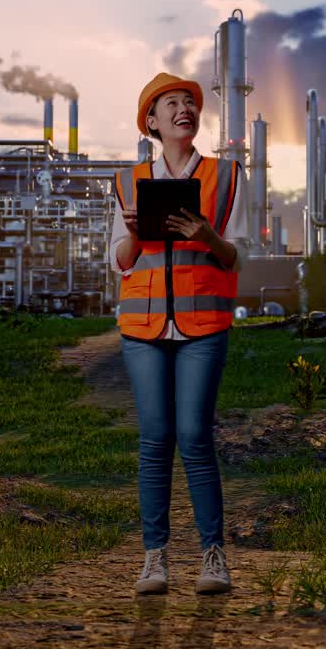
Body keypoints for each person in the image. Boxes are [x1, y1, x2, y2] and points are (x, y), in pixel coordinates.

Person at [109, 72, 249, 595]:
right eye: (171, 103)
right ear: (152, 120)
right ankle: (155, 560)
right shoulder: (127, 182)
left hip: (203, 326)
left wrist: (206, 234)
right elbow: (119, 263)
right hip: (143, 327)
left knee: (194, 437)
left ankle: (213, 557)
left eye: (189, 102)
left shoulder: (226, 177)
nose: (183, 109)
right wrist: (131, 235)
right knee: (155, 441)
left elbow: (238, 257)